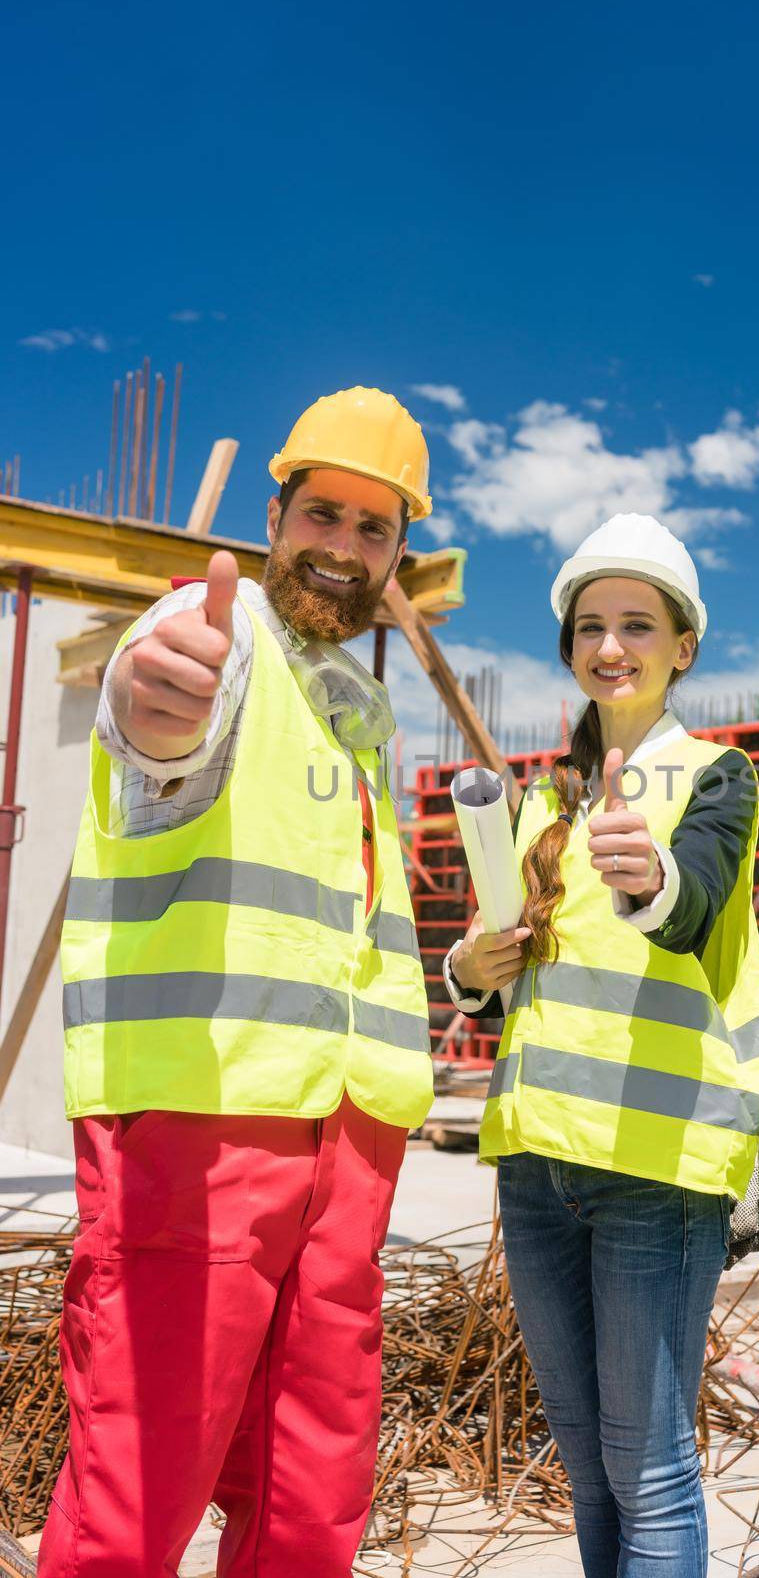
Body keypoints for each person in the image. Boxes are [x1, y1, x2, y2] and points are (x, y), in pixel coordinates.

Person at [40, 388, 435, 1577]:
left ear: (399, 553)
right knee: (139, 1486)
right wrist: (149, 700)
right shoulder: (210, 636)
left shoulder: (355, 708)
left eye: (375, 531)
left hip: (349, 1137)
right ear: (275, 516)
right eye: (323, 513)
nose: (344, 547)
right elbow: (156, 718)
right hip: (200, 1126)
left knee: (310, 1497)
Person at [445, 513, 759, 1577]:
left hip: (653, 1169)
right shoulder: (537, 797)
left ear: (681, 646)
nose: (611, 646)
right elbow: (501, 973)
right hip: (538, 1164)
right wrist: (471, 969)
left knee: (648, 1468)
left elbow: (689, 907)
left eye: (637, 624)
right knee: (586, 1462)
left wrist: (647, 878)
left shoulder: (714, 776)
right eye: (591, 625)